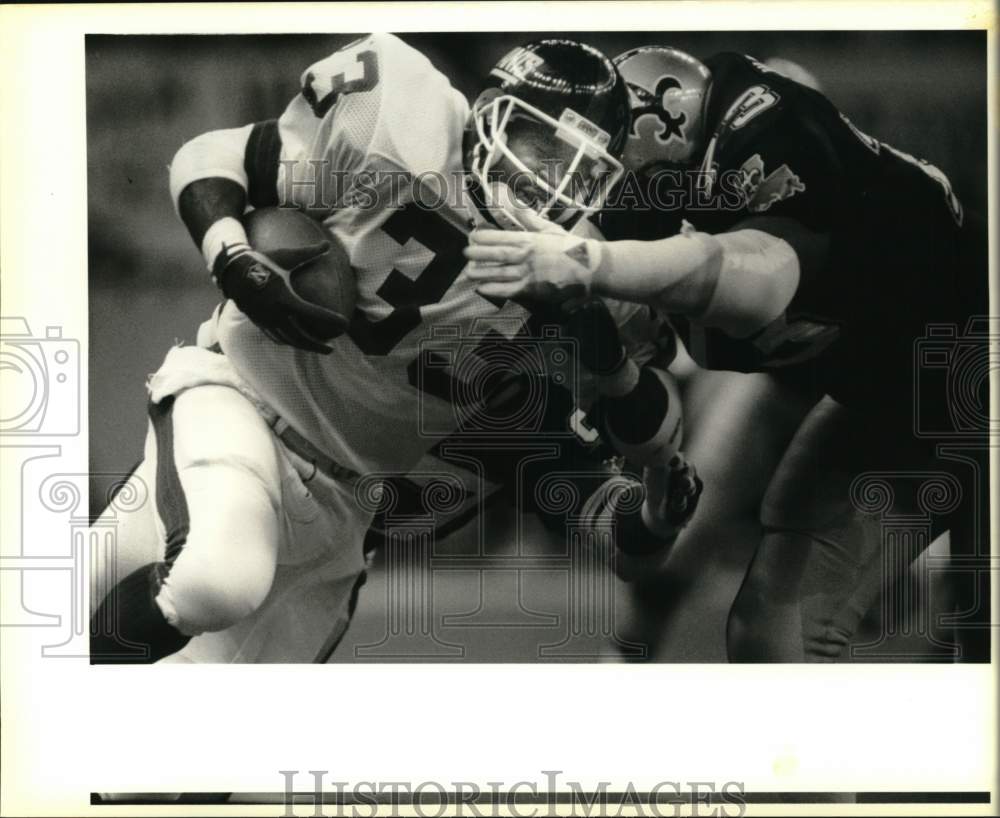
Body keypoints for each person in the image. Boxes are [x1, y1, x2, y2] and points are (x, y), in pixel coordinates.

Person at [90, 35, 701, 664]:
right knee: (215, 579)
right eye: (539, 146)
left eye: (576, 169)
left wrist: (656, 507)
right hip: (246, 400)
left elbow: (615, 525)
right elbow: (215, 155)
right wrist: (231, 254)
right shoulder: (404, 121)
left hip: (339, 528)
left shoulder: (564, 296)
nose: (547, 179)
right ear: (492, 110)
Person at [464, 46, 988, 661]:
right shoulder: (650, 209)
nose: (595, 197)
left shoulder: (768, 131)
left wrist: (588, 263)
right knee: (772, 633)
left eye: (608, 171)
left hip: (975, 356)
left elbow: (751, 282)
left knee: (977, 635)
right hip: (891, 405)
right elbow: (644, 383)